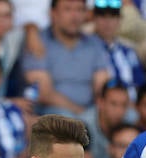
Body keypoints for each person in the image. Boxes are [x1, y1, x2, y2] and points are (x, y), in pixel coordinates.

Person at [22, 0, 111, 141]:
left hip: (90, 112)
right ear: (53, 14)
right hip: (52, 111)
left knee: (128, 115)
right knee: (64, 119)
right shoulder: (38, 41)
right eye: (68, 9)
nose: (75, 16)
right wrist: (80, 113)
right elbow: (44, 93)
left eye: (80, 10)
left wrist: (99, 111)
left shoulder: (94, 43)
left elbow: (102, 84)